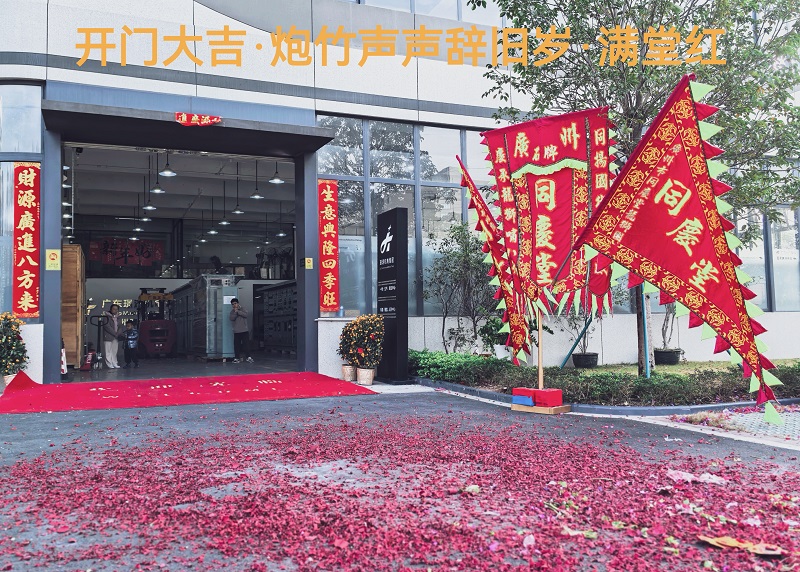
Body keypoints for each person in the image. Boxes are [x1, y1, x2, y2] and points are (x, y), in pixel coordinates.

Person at [229, 298, 253, 363]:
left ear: (238, 303)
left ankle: (248, 357)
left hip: (244, 330)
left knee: (246, 345)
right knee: (237, 345)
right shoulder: (232, 312)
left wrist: (238, 312)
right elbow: (231, 318)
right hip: (237, 331)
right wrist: (235, 312)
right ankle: (237, 358)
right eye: (232, 304)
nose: (234, 305)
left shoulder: (243, 309)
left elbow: (245, 315)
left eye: (235, 303)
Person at [102, 304, 122, 369]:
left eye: (116, 309)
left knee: (114, 351)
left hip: (116, 336)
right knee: (108, 351)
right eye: (114, 309)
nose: (115, 310)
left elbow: (120, 326)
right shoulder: (106, 317)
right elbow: (107, 326)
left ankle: (114, 362)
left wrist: (118, 333)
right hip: (108, 335)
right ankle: (109, 363)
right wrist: (114, 333)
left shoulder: (118, 317)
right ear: (111, 309)